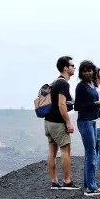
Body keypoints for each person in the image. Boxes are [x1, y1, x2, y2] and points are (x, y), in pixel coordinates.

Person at [44, 56, 79, 190]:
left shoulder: (55, 82)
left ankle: (54, 181)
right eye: (72, 65)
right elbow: (61, 104)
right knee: (65, 150)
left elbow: (70, 100)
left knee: (52, 151)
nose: (74, 68)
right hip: (58, 123)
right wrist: (68, 123)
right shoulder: (64, 83)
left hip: (48, 122)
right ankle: (67, 181)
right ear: (65, 67)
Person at [74, 60, 100, 196]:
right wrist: (94, 104)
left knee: (91, 153)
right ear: (81, 73)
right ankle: (91, 187)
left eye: (90, 70)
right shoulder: (81, 86)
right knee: (91, 154)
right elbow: (77, 107)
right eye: (85, 70)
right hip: (85, 122)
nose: (88, 73)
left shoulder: (91, 84)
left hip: (92, 121)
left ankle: (89, 185)